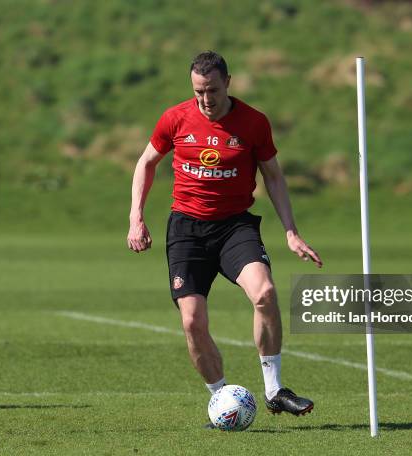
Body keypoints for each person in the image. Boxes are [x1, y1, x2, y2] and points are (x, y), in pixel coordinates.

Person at [127, 51, 322, 425]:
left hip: (235, 227)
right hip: (187, 230)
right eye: (199, 91)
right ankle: (222, 400)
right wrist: (136, 217)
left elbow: (274, 177)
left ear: (228, 83)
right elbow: (146, 162)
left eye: (212, 90)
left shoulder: (253, 123)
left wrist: (291, 231)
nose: (206, 99)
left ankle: (274, 391)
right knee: (192, 321)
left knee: (264, 292)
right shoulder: (175, 118)